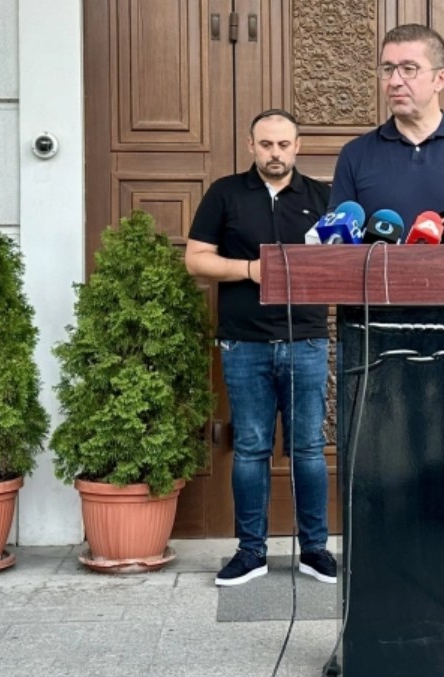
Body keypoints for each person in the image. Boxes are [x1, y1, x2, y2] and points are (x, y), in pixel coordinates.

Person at [185, 109, 336, 587]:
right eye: (266, 144)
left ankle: (315, 550)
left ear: (298, 146)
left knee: (308, 449)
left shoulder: (323, 197)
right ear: (251, 145)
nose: (275, 153)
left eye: (284, 144)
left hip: (306, 340)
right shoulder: (225, 193)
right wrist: (251, 270)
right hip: (243, 343)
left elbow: (342, 261)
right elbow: (196, 260)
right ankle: (251, 552)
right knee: (250, 449)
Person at [330, 23, 444, 232]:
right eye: (388, 69)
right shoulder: (355, 154)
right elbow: (338, 239)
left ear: (440, 79)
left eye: (409, 69)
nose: (394, 81)